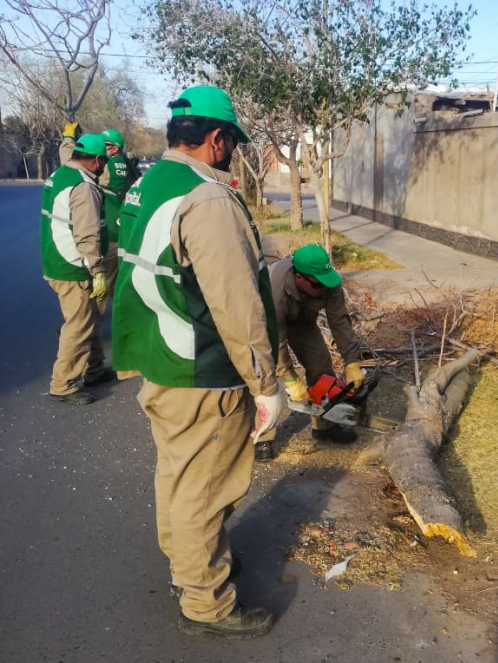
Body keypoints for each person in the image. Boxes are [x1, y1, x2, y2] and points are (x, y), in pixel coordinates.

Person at [111, 85, 284, 638]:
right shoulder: (206, 199)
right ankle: (206, 603)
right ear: (215, 139)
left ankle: (191, 570)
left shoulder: (148, 185)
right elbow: (235, 303)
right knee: (206, 489)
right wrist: (265, 384)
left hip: (163, 359)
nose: (232, 151)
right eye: (231, 142)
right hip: (202, 371)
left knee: (179, 477)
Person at [255, 243, 364, 461]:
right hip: (264, 323)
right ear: (299, 277)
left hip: (302, 320)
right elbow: (275, 340)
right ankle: (263, 436)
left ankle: (324, 425)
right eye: (317, 285)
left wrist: (352, 361)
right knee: (265, 375)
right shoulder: (274, 290)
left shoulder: (328, 282)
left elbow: (339, 320)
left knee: (321, 364)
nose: (323, 288)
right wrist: (290, 378)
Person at [41, 133, 114, 405]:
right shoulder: (84, 187)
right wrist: (97, 270)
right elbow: (87, 234)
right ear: (95, 160)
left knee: (90, 316)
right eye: (103, 162)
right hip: (73, 267)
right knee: (79, 324)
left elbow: (65, 149)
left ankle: (94, 369)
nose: (104, 167)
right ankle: (63, 383)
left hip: (56, 259)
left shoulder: (60, 173)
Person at [61, 123, 140, 305]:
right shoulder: (127, 166)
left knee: (102, 288)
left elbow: (72, 162)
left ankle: (88, 325)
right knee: (116, 285)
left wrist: (68, 139)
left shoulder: (106, 166)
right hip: (123, 233)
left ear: (116, 148)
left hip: (110, 237)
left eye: (107, 145)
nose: (103, 149)